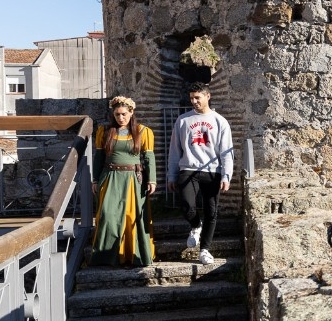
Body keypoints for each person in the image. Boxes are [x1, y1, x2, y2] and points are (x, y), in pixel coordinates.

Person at [167, 83, 234, 265]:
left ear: (208, 96)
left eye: (198, 97)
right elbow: (175, 150)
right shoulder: (183, 120)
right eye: (192, 98)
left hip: (212, 171)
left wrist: (226, 175)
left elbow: (226, 151)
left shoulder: (220, 121)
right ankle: (196, 225)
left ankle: (205, 250)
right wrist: (172, 175)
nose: (194, 101)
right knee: (187, 205)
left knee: (211, 211)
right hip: (188, 168)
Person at [90, 95, 156, 266]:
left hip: (133, 179)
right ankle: (107, 257)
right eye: (117, 114)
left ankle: (132, 256)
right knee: (108, 215)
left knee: (131, 218)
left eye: (124, 114)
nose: (121, 118)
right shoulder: (104, 131)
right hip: (110, 177)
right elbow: (99, 157)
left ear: (131, 112)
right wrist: (95, 179)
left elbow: (149, 157)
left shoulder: (143, 131)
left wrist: (152, 180)